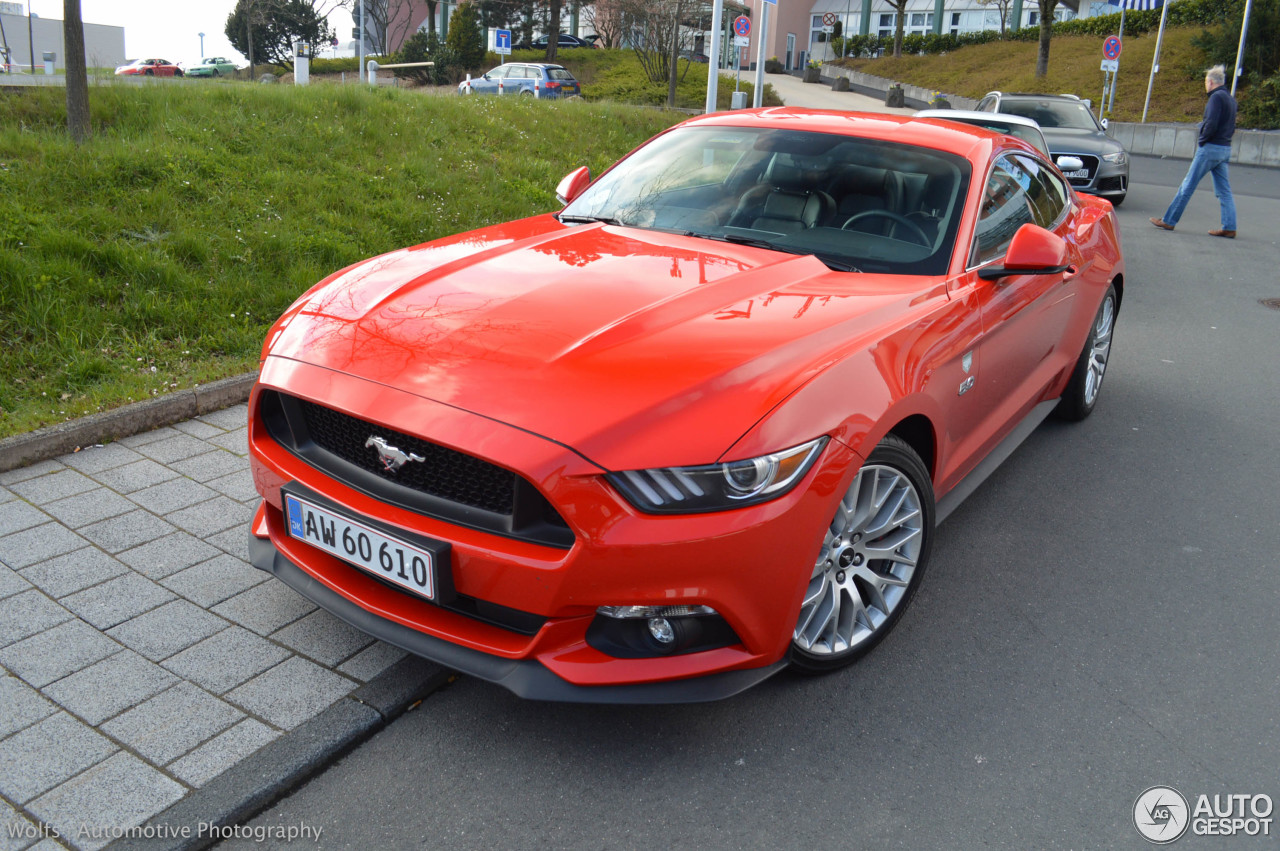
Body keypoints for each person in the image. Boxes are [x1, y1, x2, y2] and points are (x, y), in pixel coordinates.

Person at [1150, 65, 1237, 238]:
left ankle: (1169, 220)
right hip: (1225, 148)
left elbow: (1211, 123)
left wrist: (1203, 139)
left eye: (1206, 82)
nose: (1206, 85)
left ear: (1210, 82)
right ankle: (1230, 226)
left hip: (1210, 148)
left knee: (1187, 185)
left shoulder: (1215, 98)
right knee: (1224, 191)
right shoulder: (1230, 99)